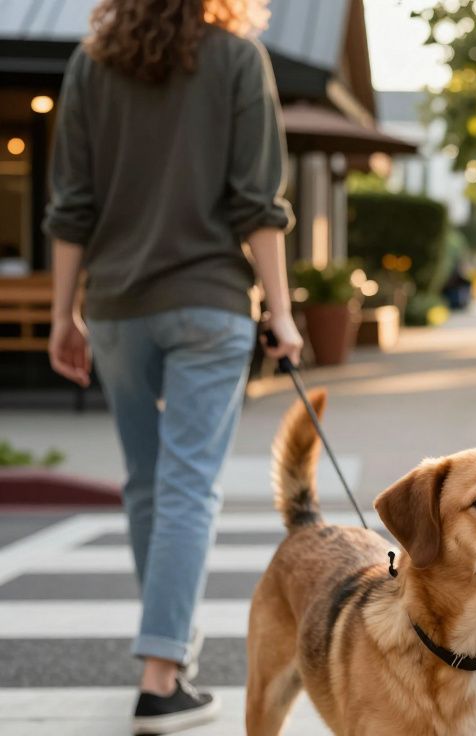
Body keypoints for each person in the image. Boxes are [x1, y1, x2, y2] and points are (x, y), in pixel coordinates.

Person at [44, 0, 302, 731]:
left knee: (149, 487)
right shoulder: (236, 58)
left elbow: (71, 207)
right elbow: (258, 203)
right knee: (187, 487)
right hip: (209, 303)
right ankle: (161, 678)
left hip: (120, 310)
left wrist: (66, 314)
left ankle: (170, 645)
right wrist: (280, 313)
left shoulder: (89, 65)